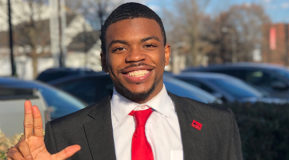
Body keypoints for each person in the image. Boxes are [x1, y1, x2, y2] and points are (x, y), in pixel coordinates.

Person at [7, 2, 243, 160]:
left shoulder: (217, 124)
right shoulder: (64, 134)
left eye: (149, 45)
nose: (135, 57)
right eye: (120, 48)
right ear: (103, 60)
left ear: (167, 54)